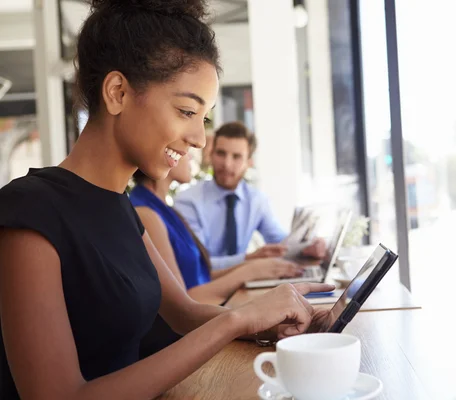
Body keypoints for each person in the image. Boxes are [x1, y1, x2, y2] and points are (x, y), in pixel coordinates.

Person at [0, 1, 333, 398]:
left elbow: (184, 314)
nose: (200, 139)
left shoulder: (121, 207)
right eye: (186, 111)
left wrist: (267, 322)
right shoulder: (28, 212)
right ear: (118, 92)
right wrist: (235, 322)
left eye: (203, 118)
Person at [130, 154, 304, 305]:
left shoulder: (164, 208)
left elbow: (200, 277)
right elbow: (182, 303)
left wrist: (255, 265)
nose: (190, 156)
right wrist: (251, 271)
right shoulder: (147, 214)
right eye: (186, 151)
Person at [175, 121, 326, 270]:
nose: (227, 164)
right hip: (201, 287)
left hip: (243, 285)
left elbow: (281, 243)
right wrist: (249, 259)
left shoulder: (256, 200)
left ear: (249, 162)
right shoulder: (188, 201)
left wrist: (307, 247)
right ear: (211, 154)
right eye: (221, 153)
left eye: (236, 157)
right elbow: (196, 263)